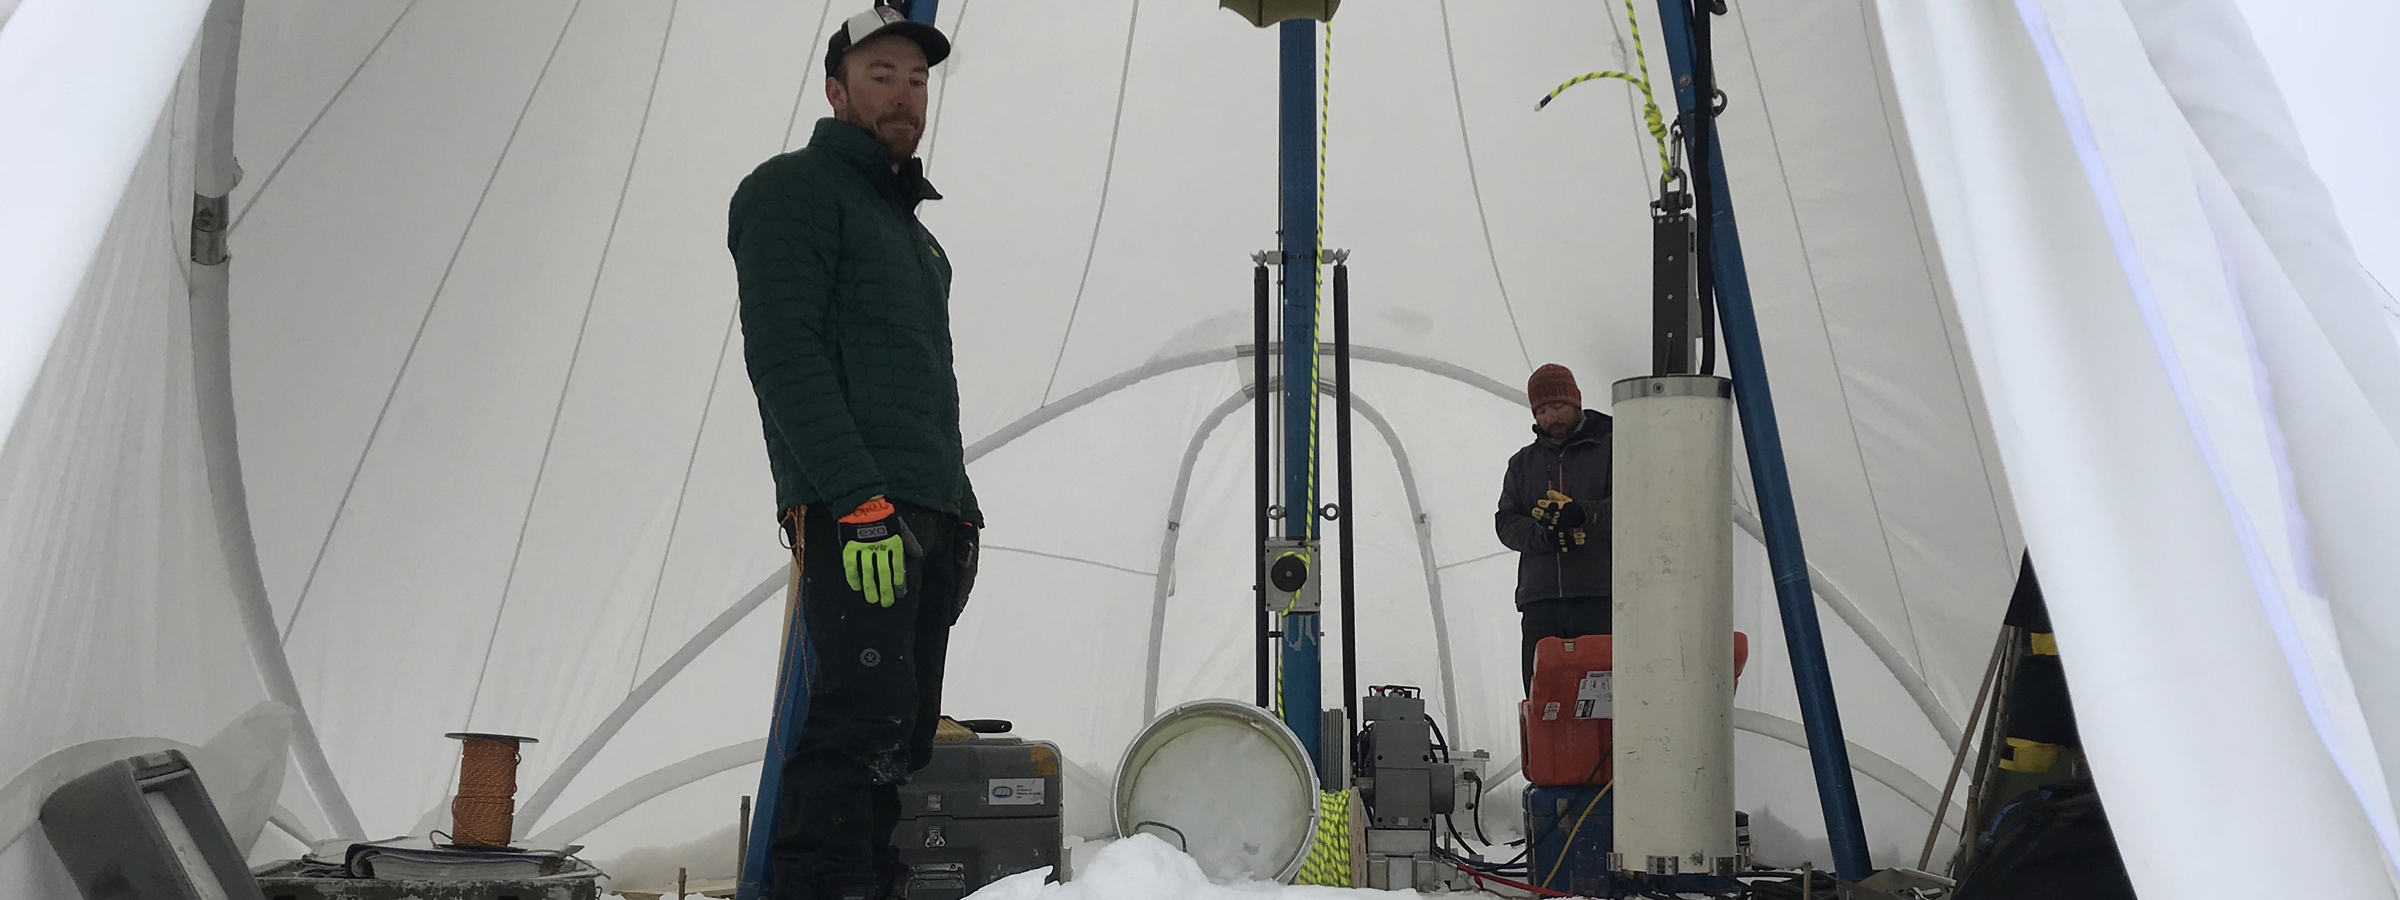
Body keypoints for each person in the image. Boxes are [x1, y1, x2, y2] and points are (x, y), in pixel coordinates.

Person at [727, 8, 981, 899]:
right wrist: (857, 499)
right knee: (854, 721)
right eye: (881, 75)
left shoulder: (915, 234)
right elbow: (784, 356)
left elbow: (920, 385)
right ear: (836, 90)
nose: (904, 93)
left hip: (928, 506)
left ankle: (872, 882)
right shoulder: (790, 190)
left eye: (916, 79)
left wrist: (959, 510)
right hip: (857, 505)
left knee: (902, 734)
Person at [1494, 363, 1612, 693]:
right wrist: (1545, 535)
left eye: (1557, 407)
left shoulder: (1612, 447)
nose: (1550, 418)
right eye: (1542, 410)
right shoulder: (1522, 463)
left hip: (1600, 597)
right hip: (1540, 602)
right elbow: (1505, 523)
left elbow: (1634, 507)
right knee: (1543, 699)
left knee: (1603, 698)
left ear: (1576, 402)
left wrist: (1581, 514)